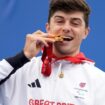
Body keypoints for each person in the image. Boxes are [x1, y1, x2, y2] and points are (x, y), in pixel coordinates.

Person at [0, 0, 105, 105]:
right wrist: (24, 56)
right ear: (48, 28)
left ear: (85, 32)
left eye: (75, 23)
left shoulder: (99, 81)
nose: (66, 28)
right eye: (59, 21)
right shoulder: (18, 71)